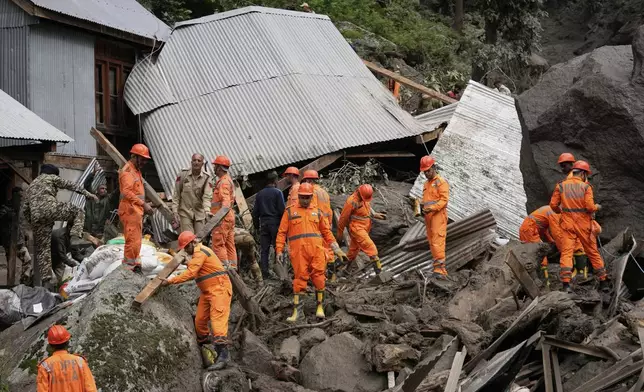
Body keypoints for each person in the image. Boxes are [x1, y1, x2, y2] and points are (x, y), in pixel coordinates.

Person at [275, 183, 346, 322]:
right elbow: (281, 232)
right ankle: (297, 312)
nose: (305, 200)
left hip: (316, 251)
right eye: (302, 197)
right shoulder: (289, 212)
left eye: (307, 197)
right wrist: (279, 249)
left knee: (319, 277)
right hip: (299, 252)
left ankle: (320, 307)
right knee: (299, 280)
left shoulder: (317, 212)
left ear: (311, 197)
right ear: (298, 196)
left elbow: (326, 232)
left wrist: (336, 248)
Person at [162, 231, 232, 370]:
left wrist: (170, 281)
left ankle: (223, 355)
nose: (185, 250)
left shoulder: (201, 252)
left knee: (217, 321)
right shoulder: (196, 255)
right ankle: (206, 348)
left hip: (220, 289)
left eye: (186, 247)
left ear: (193, 243)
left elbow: (191, 273)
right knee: (200, 321)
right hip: (207, 292)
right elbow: (194, 268)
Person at [23, 164, 97, 290]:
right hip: (50, 209)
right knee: (78, 211)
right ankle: (74, 237)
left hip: (37, 218)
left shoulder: (31, 186)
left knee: (43, 251)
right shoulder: (51, 178)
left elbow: (25, 209)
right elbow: (70, 185)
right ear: (53, 173)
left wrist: (34, 223)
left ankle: (46, 282)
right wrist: (88, 194)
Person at [550, 160, 609, 293]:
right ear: (582, 173)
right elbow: (589, 207)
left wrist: (562, 212)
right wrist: (597, 207)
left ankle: (566, 284)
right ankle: (604, 282)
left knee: (566, 253)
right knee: (592, 252)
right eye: (586, 175)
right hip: (583, 225)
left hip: (567, 224)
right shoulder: (586, 187)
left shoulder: (561, 186)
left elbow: (553, 206)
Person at [337, 184, 386, 276]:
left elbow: (366, 206)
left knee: (353, 251)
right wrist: (339, 233)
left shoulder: (364, 197)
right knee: (371, 248)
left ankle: (339, 268)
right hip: (357, 228)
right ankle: (380, 274)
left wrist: (375, 214)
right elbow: (343, 218)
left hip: (365, 226)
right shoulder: (351, 201)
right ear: (359, 192)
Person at [119, 144, 154, 271]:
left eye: (145, 159)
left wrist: (144, 204)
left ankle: (134, 264)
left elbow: (136, 192)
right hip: (129, 210)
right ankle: (129, 266)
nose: (144, 162)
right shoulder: (127, 172)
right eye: (142, 159)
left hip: (135, 210)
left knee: (136, 239)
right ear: (134, 157)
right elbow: (127, 192)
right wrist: (143, 204)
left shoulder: (136, 171)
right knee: (132, 239)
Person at [37, 325, 97, 392]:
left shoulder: (45, 366)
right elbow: (91, 389)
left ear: (50, 345)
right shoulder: (80, 361)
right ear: (67, 342)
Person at [252, 171, 285, 279]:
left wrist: (256, 227)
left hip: (264, 224)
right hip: (275, 224)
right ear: (275, 180)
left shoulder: (260, 194)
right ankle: (281, 273)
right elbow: (282, 211)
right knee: (278, 248)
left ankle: (265, 273)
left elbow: (255, 213)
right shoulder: (278, 193)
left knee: (264, 249)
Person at [420, 156, 449, 278]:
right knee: (432, 243)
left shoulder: (440, 182)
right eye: (424, 172)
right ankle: (436, 269)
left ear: (434, 167)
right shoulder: (426, 183)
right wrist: (420, 206)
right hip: (429, 217)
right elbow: (428, 201)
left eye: (428, 171)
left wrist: (431, 208)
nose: (426, 173)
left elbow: (444, 201)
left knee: (438, 242)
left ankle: (440, 271)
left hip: (438, 216)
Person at [172, 153, 213, 234]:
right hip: (185, 212)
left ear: (202, 163)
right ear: (191, 162)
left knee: (199, 239)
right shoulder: (183, 174)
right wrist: (175, 211)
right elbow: (176, 194)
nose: (196, 162)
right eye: (194, 160)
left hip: (199, 213)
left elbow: (207, 197)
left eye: (199, 160)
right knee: (188, 238)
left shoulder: (207, 178)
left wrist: (207, 211)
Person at [301, 170, 335, 263]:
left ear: (308, 180)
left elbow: (312, 209)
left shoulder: (312, 193)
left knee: (320, 249)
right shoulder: (324, 192)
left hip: (317, 224)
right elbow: (329, 211)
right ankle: (332, 269)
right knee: (328, 248)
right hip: (326, 223)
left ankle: (324, 270)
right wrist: (330, 223)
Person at [210, 155, 237, 270]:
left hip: (222, 219)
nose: (214, 168)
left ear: (220, 168)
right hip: (228, 217)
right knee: (230, 245)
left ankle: (224, 271)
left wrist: (217, 219)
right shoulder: (227, 180)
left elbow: (225, 204)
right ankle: (233, 269)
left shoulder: (223, 183)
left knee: (218, 244)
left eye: (215, 166)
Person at [83, 164, 119, 238]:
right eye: (102, 188)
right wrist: (93, 173)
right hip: (88, 230)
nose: (104, 190)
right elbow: (86, 185)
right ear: (97, 190)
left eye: (106, 189)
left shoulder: (108, 199)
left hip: (101, 232)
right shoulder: (91, 197)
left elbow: (117, 191)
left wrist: (119, 177)